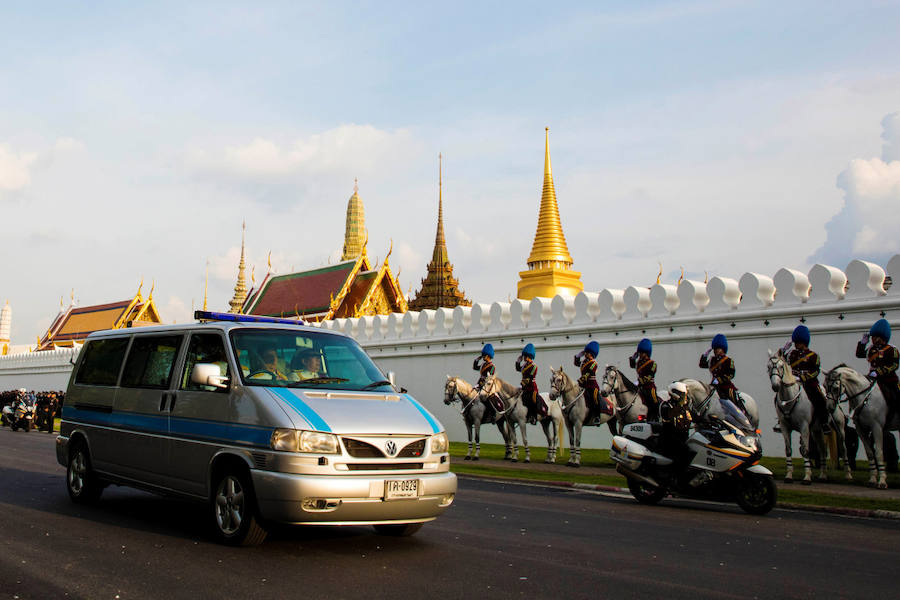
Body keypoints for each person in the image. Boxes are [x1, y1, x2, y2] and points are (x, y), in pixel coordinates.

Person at [781, 325, 830, 433]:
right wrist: (783, 350)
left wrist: (803, 377)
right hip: (794, 382)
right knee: (781, 397)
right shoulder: (791, 354)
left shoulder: (813, 356)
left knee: (819, 399)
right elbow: (781, 361)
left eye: (798, 342)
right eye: (795, 342)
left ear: (804, 342)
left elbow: (816, 371)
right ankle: (781, 421)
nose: (796, 345)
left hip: (809, 383)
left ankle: (824, 422)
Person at [856, 318, 900, 424]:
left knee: (896, 398)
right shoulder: (872, 349)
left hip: (888, 380)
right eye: (872, 337)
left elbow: (894, 365)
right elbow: (860, 354)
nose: (873, 339)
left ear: (882, 337)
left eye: (875, 337)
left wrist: (879, 372)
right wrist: (862, 343)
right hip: (873, 379)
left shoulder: (891, 349)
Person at [699, 334, 747, 415]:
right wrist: (704, 355)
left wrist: (719, 380)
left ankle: (742, 412)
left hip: (725, 385)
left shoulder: (728, 360)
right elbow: (702, 365)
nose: (716, 351)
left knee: (732, 395)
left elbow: (731, 374)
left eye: (718, 349)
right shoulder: (712, 360)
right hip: (714, 386)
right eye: (715, 349)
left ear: (723, 349)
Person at [658, 381, 694, 462]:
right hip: (670, 440)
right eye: (683, 395)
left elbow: (695, 417)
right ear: (675, 394)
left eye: (685, 395)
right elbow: (670, 417)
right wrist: (680, 405)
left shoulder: (685, 407)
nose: (684, 397)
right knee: (686, 453)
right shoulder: (666, 405)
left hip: (684, 438)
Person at [629, 338, 659, 421]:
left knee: (654, 402)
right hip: (640, 387)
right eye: (640, 352)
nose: (641, 354)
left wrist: (639, 381)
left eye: (642, 353)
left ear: (647, 353)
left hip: (649, 387)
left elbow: (649, 377)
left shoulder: (652, 363)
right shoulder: (639, 362)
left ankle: (656, 417)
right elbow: (632, 366)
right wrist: (632, 358)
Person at [574, 341, 601, 416]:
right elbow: (576, 363)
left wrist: (580, 380)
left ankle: (597, 416)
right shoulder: (584, 362)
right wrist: (577, 356)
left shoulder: (594, 363)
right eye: (585, 352)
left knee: (595, 398)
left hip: (592, 385)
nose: (585, 354)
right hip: (583, 385)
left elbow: (589, 373)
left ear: (591, 354)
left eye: (587, 352)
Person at [473, 344, 502, 414]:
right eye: (483, 355)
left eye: (484, 355)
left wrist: (481, 384)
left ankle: (492, 413)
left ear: (488, 356)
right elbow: (475, 367)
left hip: (487, 385)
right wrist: (476, 360)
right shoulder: (483, 364)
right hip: (479, 383)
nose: (483, 356)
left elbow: (489, 378)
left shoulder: (492, 367)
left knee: (486, 398)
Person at [516, 343, 540, 425]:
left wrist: (522, 384)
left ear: (529, 356)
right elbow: (518, 369)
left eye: (525, 356)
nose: (524, 358)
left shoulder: (534, 366)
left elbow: (530, 377)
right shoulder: (524, 366)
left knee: (533, 400)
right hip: (524, 387)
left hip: (531, 387)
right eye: (524, 356)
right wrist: (518, 362)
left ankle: (534, 417)